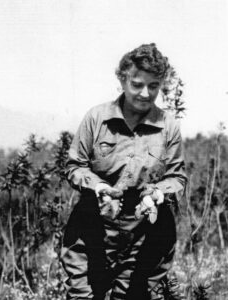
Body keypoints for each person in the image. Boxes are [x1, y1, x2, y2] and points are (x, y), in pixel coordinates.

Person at [61, 43, 187, 300]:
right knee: (82, 295)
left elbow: (177, 177)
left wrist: (157, 194)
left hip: (145, 233)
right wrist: (98, 187)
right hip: (93, 228)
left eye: (153, 86)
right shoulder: (96, 119)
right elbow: (74, 166)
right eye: (137, 84)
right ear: (122, 79)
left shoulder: (168, 126)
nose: (145, 93)